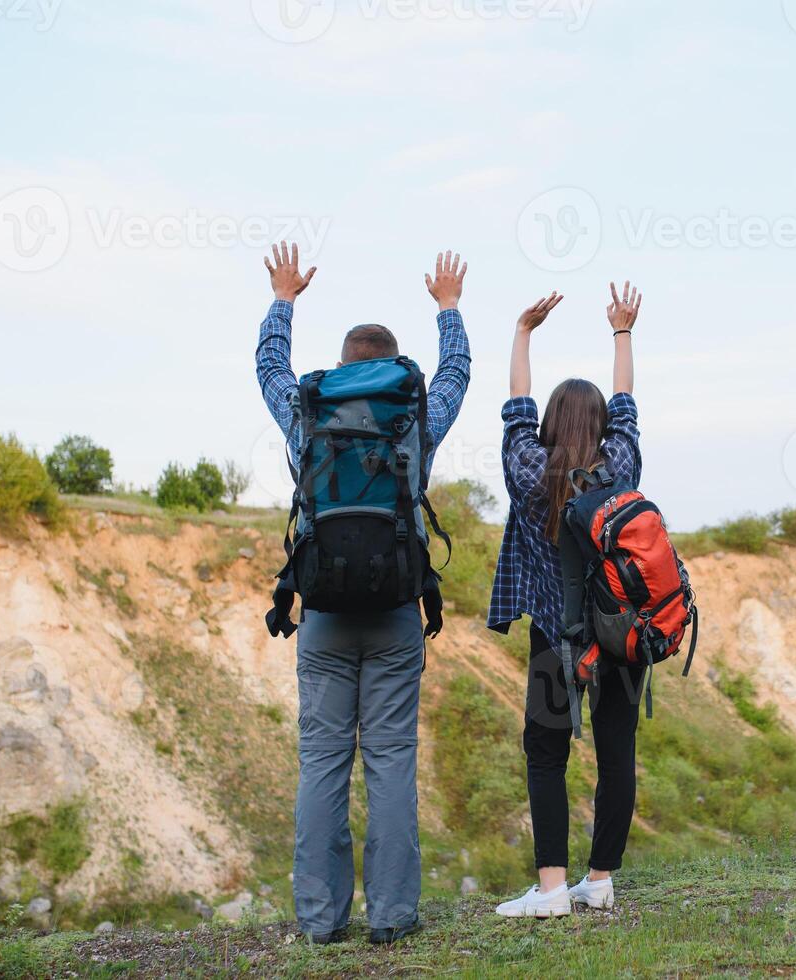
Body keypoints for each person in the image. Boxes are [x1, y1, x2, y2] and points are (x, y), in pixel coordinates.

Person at [255, 243, 472, 945]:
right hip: (395, 613)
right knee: (390, 760)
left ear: (344, 363)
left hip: (320, 613)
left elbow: (268, 368)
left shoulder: (308, 409)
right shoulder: (414, 413)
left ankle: (320, 921)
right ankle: (392, 917)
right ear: (388, 364)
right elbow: (458, 376)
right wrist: (449, 308)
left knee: (321, 763)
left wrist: (283, 299)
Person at [488, 281, 646, 918]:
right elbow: (628, 405)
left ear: (551, 425)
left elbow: (516, 409)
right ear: (604, 426)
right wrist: (623, 330)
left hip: (556, 643)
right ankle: (600, 880)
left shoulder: (529, 471)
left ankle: (552, 890)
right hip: (622, 637)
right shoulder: (623, 467)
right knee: (617, 755)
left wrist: (524, 332)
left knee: (547, 757)